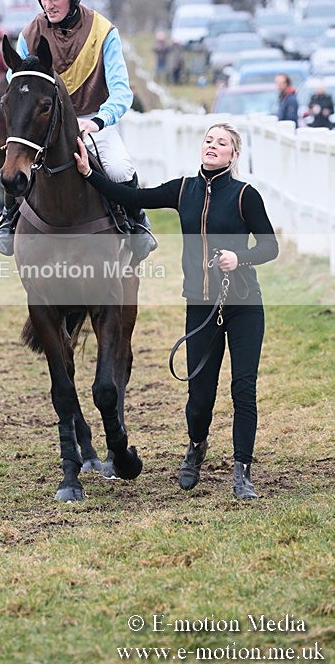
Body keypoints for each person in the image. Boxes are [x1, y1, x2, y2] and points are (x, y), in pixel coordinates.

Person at [74, 122, 279, 500]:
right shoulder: (183, 189)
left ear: (234, 155)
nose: (212, 146)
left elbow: (270, 247)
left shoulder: (245, 196)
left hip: (244, 306)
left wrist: (241, 257)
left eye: (222, 143)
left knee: (243, 389)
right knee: (200, 396)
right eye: (208, 141)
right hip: (200, 307)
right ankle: (196, 448)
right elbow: (130, 197)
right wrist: (89, 174)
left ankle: (242, 472)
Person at [0, 0, 156, 259]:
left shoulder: (104, 32)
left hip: (92, 120)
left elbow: (121, 93)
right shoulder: (30, 33)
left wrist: (98, 121)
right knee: (14, 162)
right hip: (43, 123)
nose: (48, 4)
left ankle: (137, 224)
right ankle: (9, 221)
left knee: (119, 169)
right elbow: (20, 88)